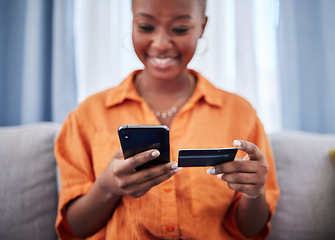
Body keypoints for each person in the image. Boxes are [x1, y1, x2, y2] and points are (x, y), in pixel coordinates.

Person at [55, 0, 280, 239]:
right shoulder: (88, 114)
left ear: (202, 27)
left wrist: (253, 192)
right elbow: (75, 229)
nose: (161, 44)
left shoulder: (240, 113)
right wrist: (107, 188)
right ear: (131, 22)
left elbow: (251, 229)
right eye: (145, 27)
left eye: (180, 29)